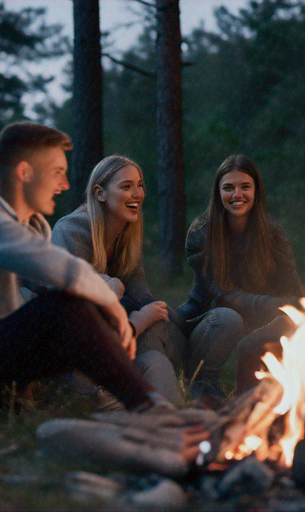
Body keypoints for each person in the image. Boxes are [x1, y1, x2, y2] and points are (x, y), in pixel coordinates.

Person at [0, 122, 173, 413]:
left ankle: (113, 397)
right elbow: (65, 273)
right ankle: (146, 403)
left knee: (75, 304)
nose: (66, 184)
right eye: (57, 172)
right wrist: (117, 310)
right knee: (64, 304)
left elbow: (19, 308)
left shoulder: (30, 228)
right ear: (24, 173)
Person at [52, 155, 186, 406]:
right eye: (126, 187)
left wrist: (169, 316)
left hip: (112, 328)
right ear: (100, 193)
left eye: (140, 185)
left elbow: (141, 291)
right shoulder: (71, 230)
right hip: (63, 337)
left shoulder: (126, 231)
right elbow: (71, 301)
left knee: (161, 319)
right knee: (128, 304)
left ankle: (158, 390)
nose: (138, 193)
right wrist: (140, 317)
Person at [178, 154, 304, 399]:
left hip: (259, 318)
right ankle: (201, 383)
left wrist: (296, 309)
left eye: (245, 186)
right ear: (218, 193)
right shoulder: (201, 233)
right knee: (228, 317)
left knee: (294, 319)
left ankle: (264, 393)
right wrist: (271, 304)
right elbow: (221, 294)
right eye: (228, 188)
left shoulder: (273, 233)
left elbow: (292, 289)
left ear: (256, 190)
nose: (237, 195)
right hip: (210, 317)